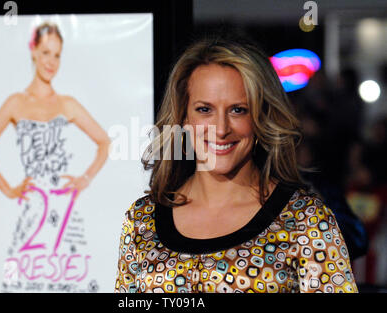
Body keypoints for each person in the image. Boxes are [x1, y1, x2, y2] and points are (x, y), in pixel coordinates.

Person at [114, 36, 358, 293]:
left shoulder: (305, 220)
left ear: (261, 117)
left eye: (238, 110)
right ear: (183, 117)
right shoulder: (142, 220)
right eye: (204, 109)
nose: (221, 129)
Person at [0, 22, 110, 291]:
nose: (52, 62)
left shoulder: (66, 103)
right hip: (34, 205)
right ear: (33, 51)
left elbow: (104, 141)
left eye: (57, 55)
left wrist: (85, 178)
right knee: (25, 281)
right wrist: (11, 190)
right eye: (46, 52)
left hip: (63, 207)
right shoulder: (16, 102)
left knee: (70, 280)